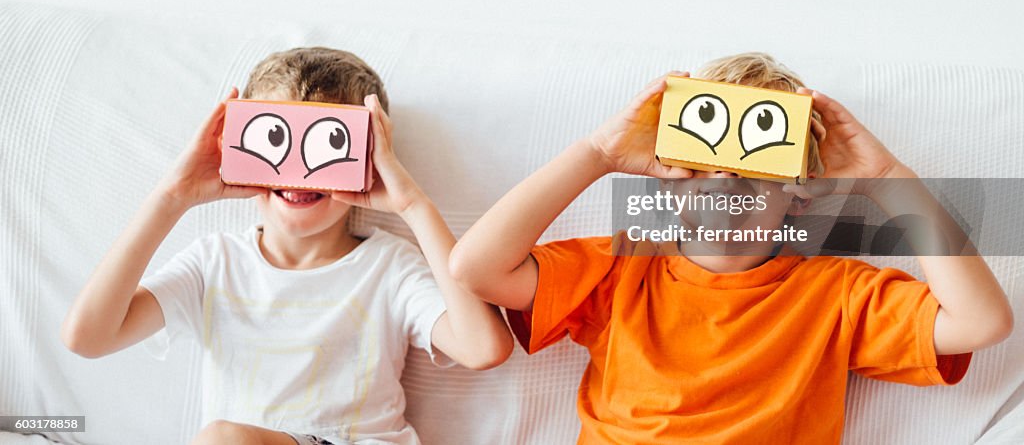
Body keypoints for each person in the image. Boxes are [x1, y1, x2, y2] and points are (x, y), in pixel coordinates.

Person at [450, 52, 1014, 444]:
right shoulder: (619, 270)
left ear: (798, 195)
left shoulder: (836, 294)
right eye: (703, 167)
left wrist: (889, 178)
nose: (725, 187)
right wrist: (598, 154)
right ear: (668, 177)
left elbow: (981, 321)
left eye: (753, 172)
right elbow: (476, 268)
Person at [62, 47, 512, 445]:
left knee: (224, 439)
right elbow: (87, 337)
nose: (298, 174)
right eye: (274, 138)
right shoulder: (215, 263)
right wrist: (171, 197)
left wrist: (412, 204)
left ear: (371, 158)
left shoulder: (388, 266)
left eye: (330, 143)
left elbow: (484, 348)